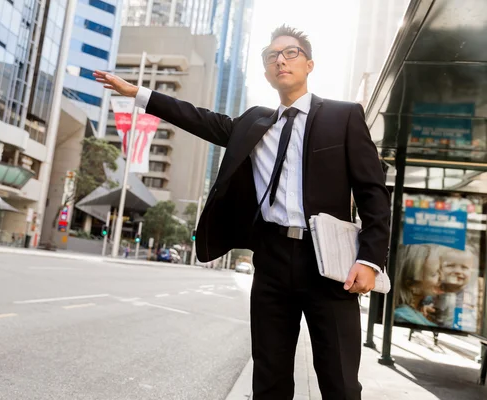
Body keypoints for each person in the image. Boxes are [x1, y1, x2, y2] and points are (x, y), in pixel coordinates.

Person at [95, 25, 391, 400]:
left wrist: (369, 259)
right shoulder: (254, 123)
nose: (280, 60)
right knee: (269, 379)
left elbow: (373, 193)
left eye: (291, 53)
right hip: (271, 260)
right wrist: (139, 94)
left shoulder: (343, 116)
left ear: (309, 64)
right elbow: (197, 117)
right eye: (272, 56)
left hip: (328, 264)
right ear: (267, 72)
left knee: (341, 382)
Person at [394, 244, 442, 326]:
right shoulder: (405, 317)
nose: (441, 277)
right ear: (412, 285)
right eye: (434, 274)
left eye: (440, 270)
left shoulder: (422, 309)